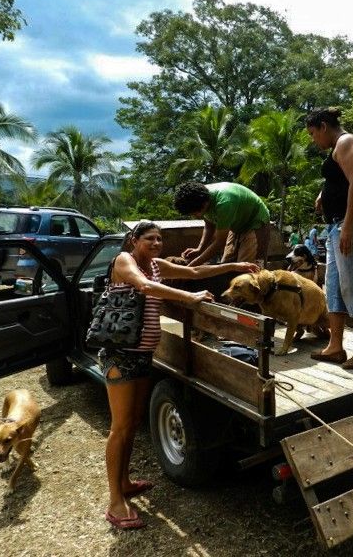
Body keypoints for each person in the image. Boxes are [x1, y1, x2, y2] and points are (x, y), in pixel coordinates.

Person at [101, 221, 259, 530]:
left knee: (133, 423)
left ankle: (125, 481)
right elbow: (143, 286)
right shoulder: (124, 261)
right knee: (119, 427)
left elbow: (196, 273)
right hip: (120, 353)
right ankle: (115, 502)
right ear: (134, 240)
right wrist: (189, 298)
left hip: (143, 354)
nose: (157, 243)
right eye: (150, 239)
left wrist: (235, 264)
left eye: (160, 239)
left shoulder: (157, 266)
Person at [305, 107, 353, 369]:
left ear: (323, 126)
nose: (314, 140)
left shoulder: (346, 142)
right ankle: (335, 346)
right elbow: (341, 179)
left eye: (313, 133)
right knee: (335, 286)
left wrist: (348, 226)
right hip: (337, 226)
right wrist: (323, 195)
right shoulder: (337, 149)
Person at [174, 181, 270, 266]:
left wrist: (192, 266)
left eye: (195, 213)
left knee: (247, 269)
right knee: (226, 264)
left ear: (205, 203)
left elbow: (219, 242)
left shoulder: (224, 202)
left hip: (255, 223)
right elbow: (209, 225)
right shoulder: (196, 196)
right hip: (235, 225)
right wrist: (199, 249)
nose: (195, 216)